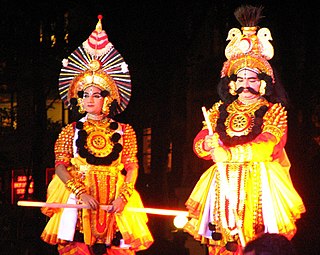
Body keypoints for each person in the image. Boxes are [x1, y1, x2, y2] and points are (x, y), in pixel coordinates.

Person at [183, 5, 305, 255]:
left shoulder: (273, 111)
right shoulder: (218, 111)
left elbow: (268, 145)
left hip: (260, 184)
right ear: (231, 84)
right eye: (240, 79)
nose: (245, 85)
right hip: (222, 183)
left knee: (258, 241)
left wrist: (230, 155)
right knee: (222, 241)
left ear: (262, 84)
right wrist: (207, 145)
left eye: (251, 80)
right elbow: (200, 142)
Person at [40, 15, 154, 255]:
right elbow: (60, 165)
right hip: (80, 196)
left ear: (107, 98)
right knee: (77, 244)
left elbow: (132, 166)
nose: (89, 100)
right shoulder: (69, 131)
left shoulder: (125, 131)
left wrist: (123, 196)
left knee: (117, 247)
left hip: (115, 195)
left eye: (95, 95)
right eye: (84, 95)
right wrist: (79, 191)